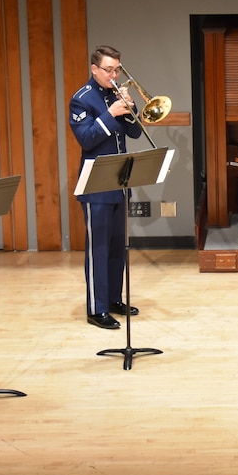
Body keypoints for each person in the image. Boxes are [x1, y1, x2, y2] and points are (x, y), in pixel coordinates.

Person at [69, 45, 144, 329]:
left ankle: (113, 298)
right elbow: (86, 139)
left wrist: (130, 109)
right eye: (109, 70)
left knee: (117, 246)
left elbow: (135, 132)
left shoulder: (116, 95)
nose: (114, 75)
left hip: (120, 181)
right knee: (98, 248)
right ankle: (96, 308)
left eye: (117, 70)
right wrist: (110, 113)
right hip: (95, 185)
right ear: (94, 69)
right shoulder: (82, 100)